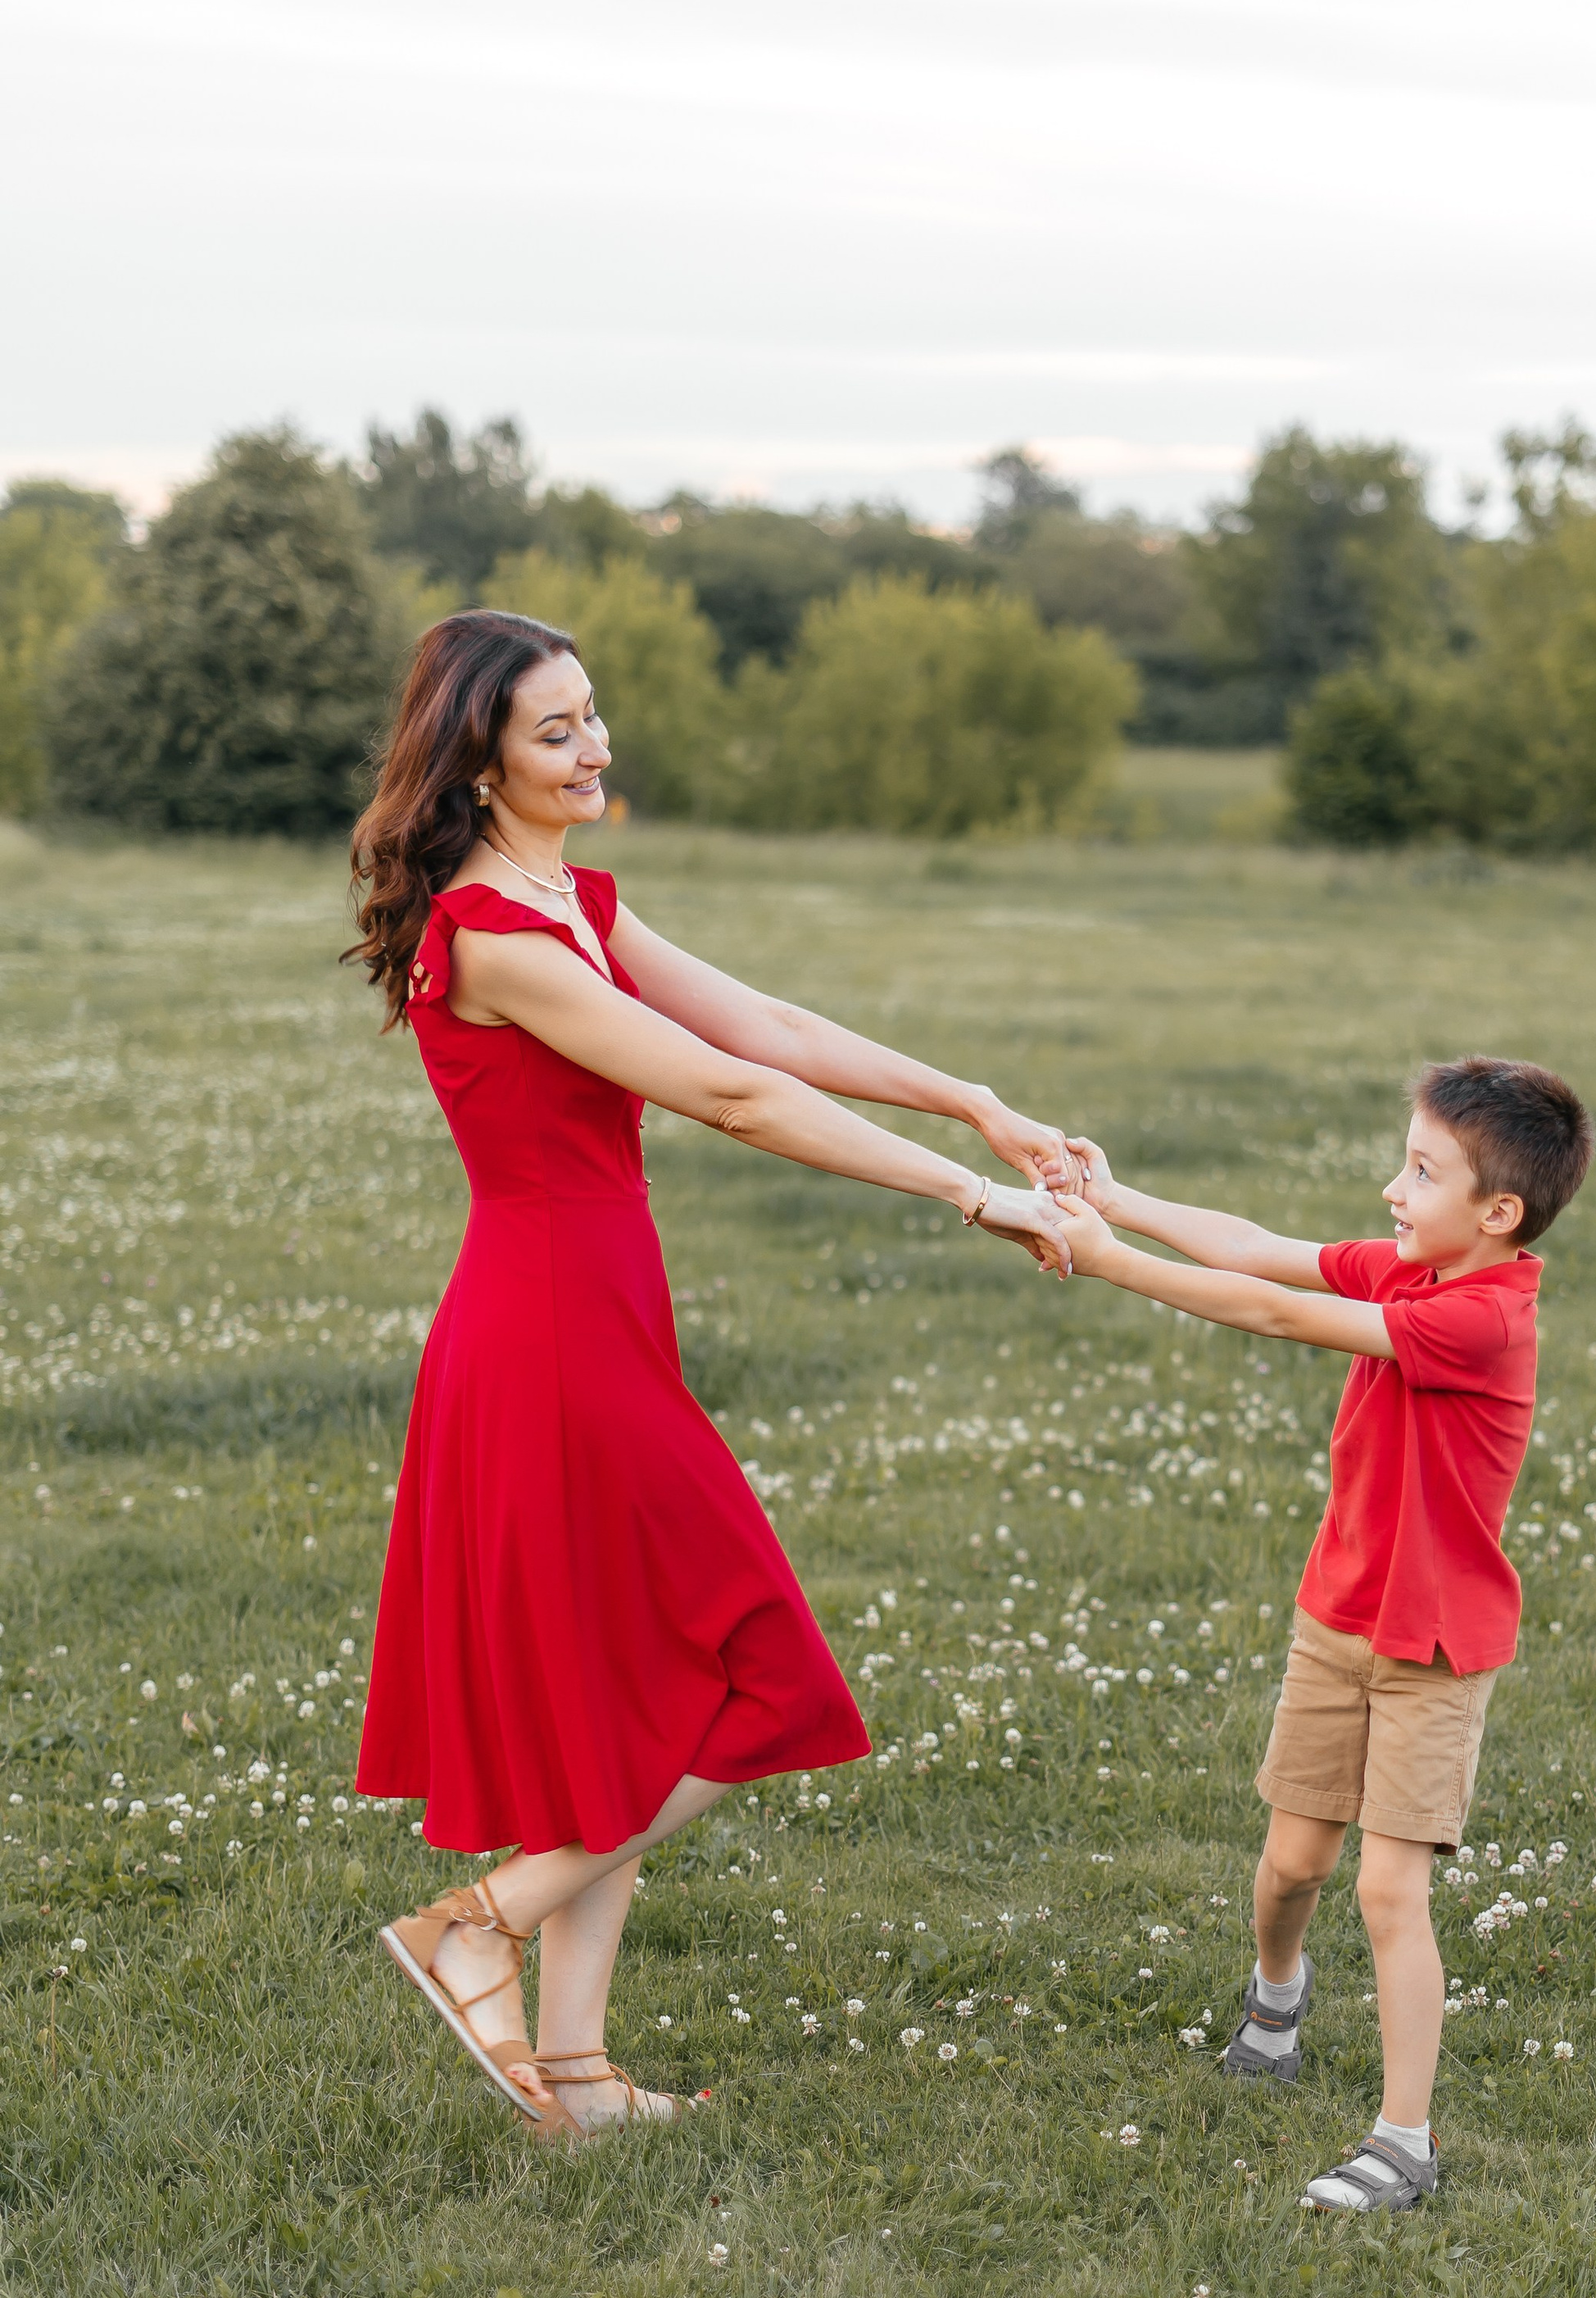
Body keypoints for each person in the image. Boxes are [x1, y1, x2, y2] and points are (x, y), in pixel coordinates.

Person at [345, 607, 1076, 2142]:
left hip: (586, 1319)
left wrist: (976, 1105)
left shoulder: (569, 905)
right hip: (548, 1343)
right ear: (476, 765)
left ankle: (584, 2080)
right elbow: (734, 1092)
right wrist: (970, 1196)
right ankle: (480, 1918)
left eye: (594, 715)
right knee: (761, 1673)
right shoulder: (495, 939)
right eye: (556, 730)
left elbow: (774, 1026)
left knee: (610, 1702)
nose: (595, 745)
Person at [1057, 1057, 1593, 2214]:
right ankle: (1276, 1997)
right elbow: (1260, 1251)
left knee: (1389, 1893)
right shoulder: (1416, 1268)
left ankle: (1405, 2144)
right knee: (1294, 1863)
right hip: (1337, 1618)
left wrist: (1110, 1267)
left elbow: (1281, 1311)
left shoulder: (1481, 1317)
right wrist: (1121, 1200)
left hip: (1434, 1651)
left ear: (1499, 1213)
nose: (1392, 1190)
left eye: (1419, 1170)